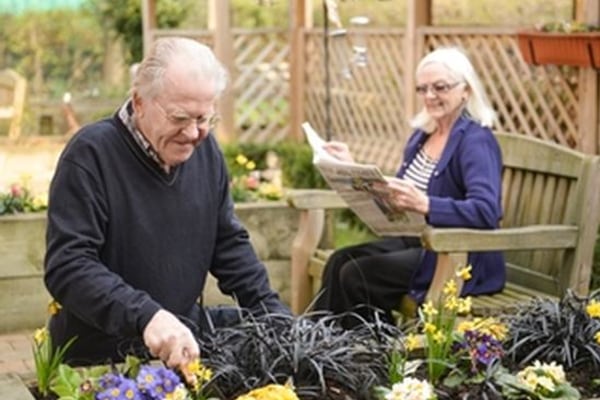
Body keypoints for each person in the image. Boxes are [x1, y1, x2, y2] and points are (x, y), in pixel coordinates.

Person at [44, 37, 290, 374]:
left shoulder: (206, 152)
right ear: (140, 102)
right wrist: (147, 316)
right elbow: (68, 266)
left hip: (181, 344)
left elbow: (227, 243)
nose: (193, 133)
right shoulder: (91, 154)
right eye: (179, 118)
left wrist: (276, 317)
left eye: (204, 118)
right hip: (101, 359)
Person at [312, 46, 505, 326]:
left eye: (440, 87)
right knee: (340, 261)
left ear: (466, 91)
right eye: (422, 89)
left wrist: (426, 204)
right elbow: (402, 192)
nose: (430, 96)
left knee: (357, 274)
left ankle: (369, 355)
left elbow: (486, 211)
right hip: (416, 242)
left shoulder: (475, 140)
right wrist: (354, 170)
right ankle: (324, 347)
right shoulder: (422, 137)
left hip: (454, 256)